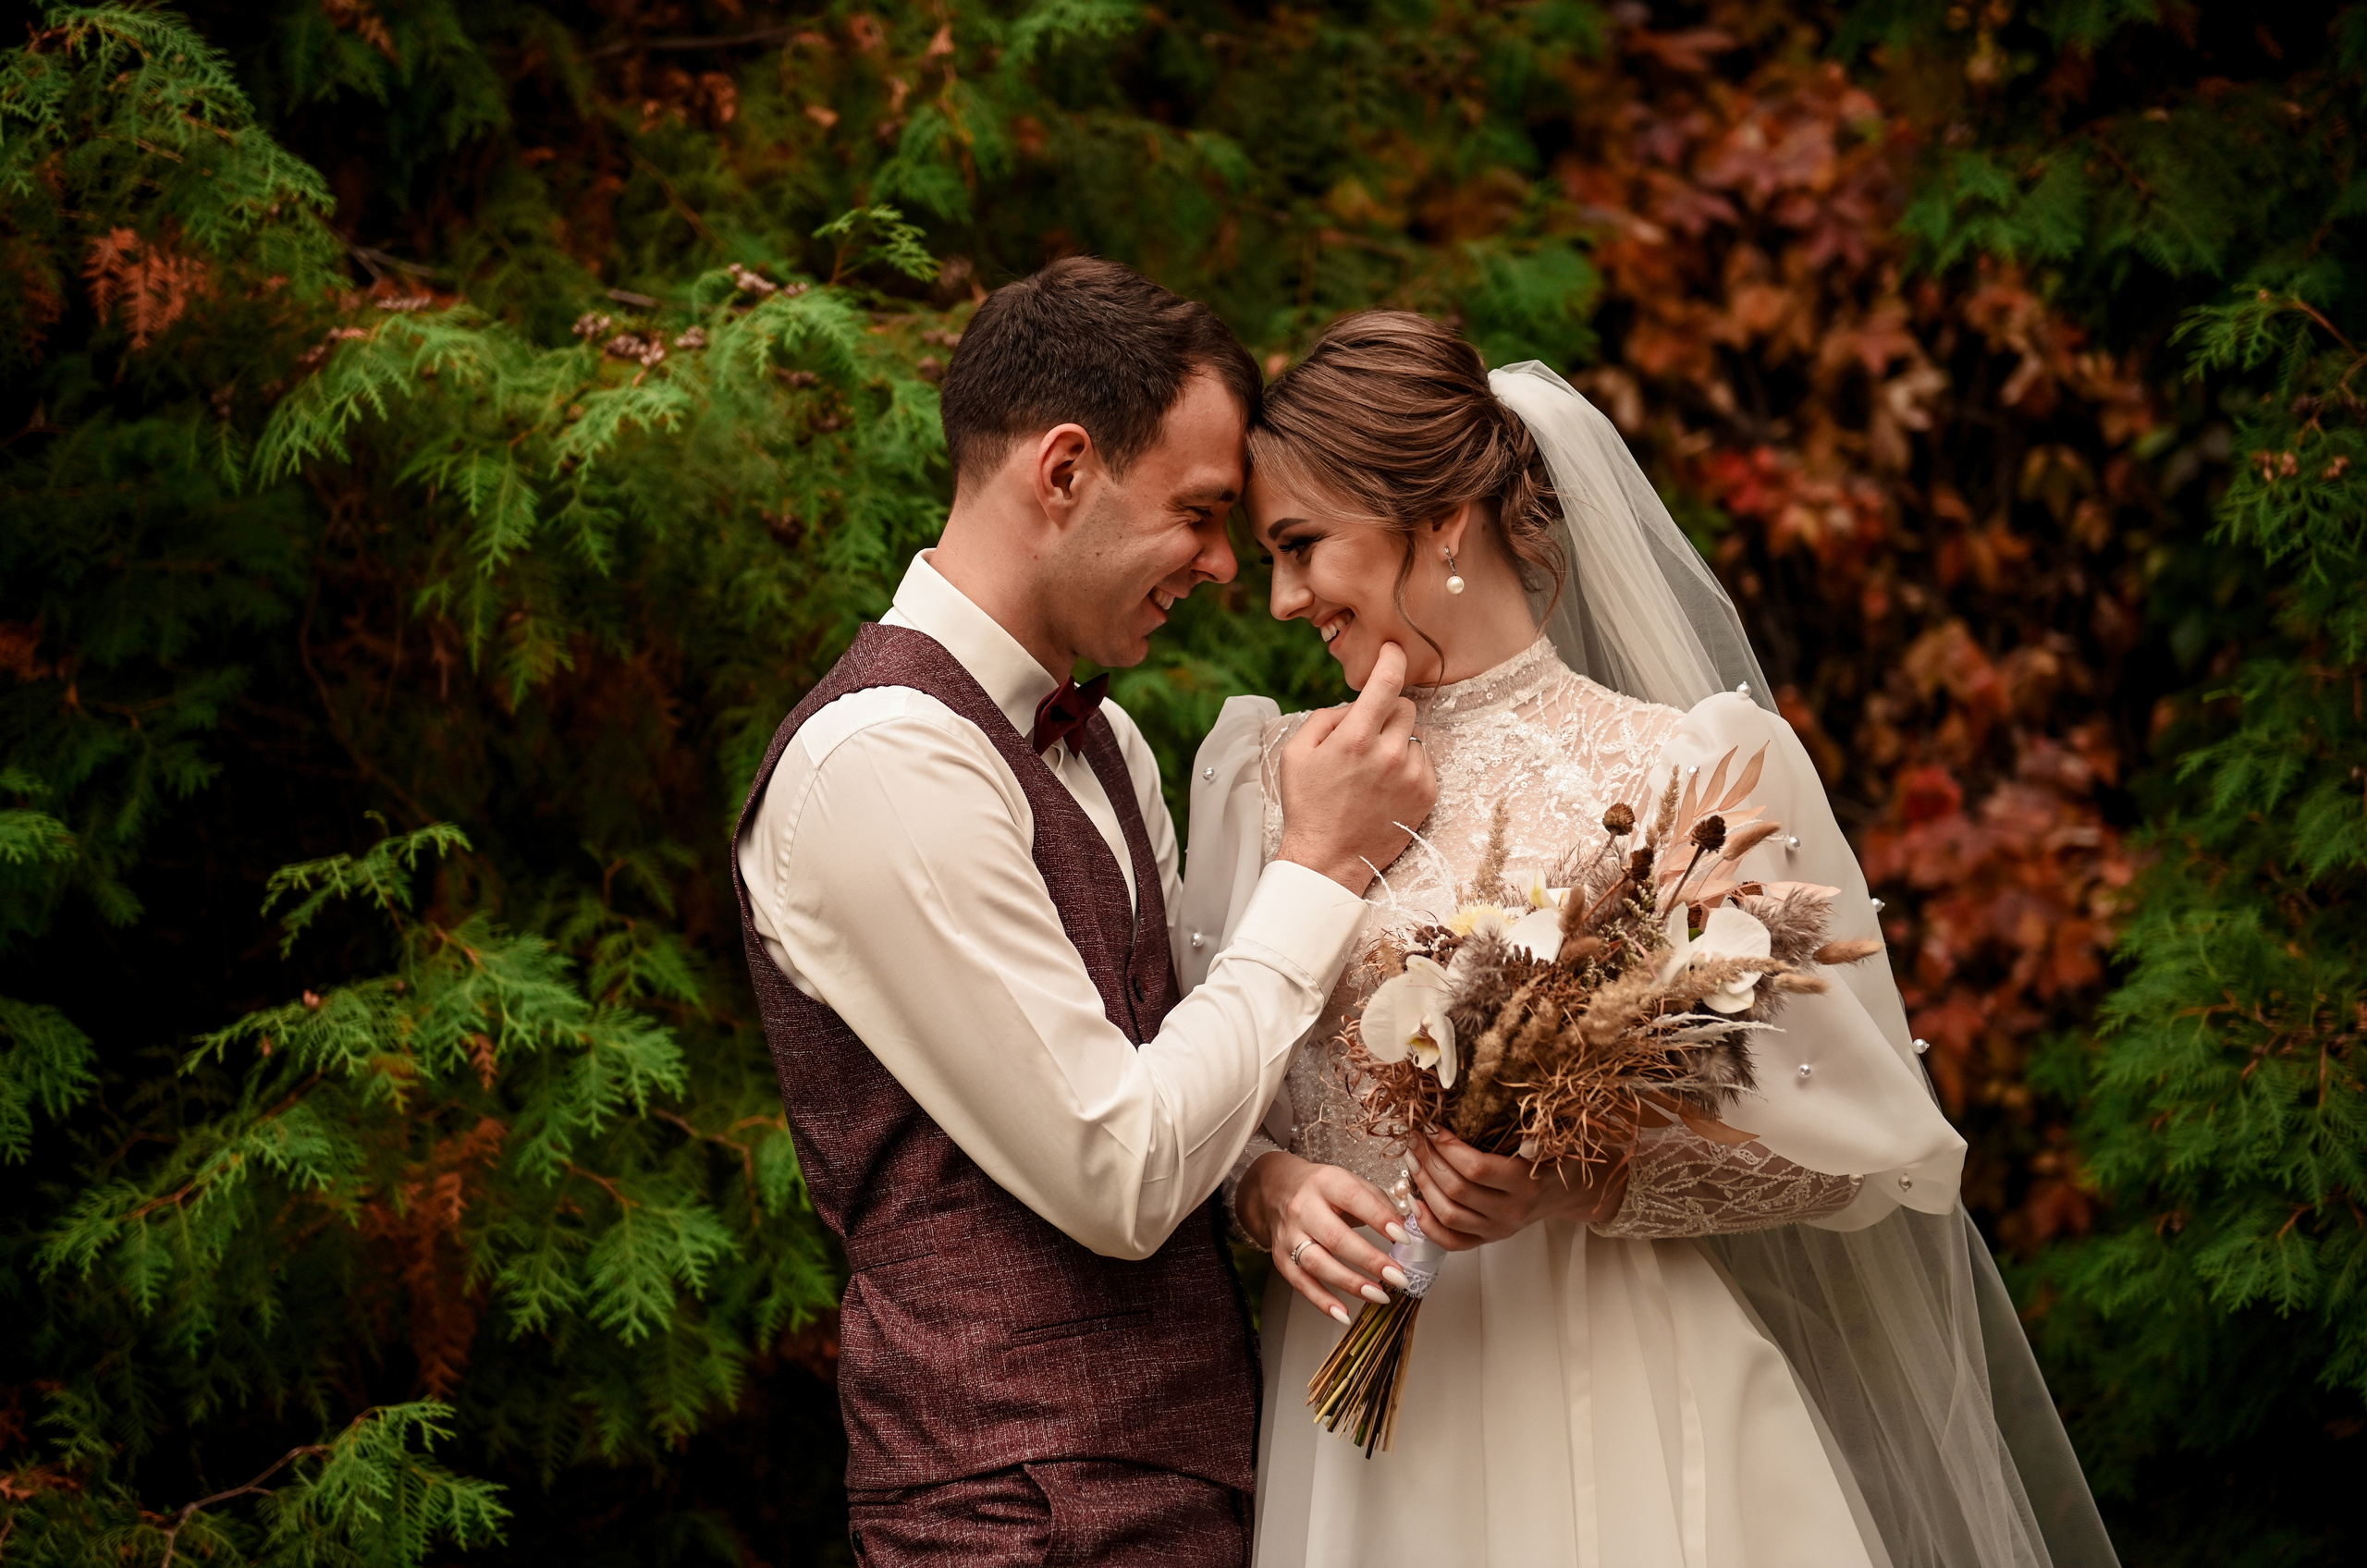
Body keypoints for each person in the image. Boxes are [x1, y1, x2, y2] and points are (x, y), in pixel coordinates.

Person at [1175, 312, 2122, 1568]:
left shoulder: (1693, 775)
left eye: (1303, 547)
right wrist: (1269, 1190)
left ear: (1442, 519)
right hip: (1364, 1432)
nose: (1285, 597)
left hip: (1611, 1385)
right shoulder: (1264, 776)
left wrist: (1582, 1182)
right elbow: (1204, 1088)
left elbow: (1847, 1155)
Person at [730, 262, 1435, 1566]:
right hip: (1013, 1517)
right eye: (1202, 515)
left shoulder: (1108, 749)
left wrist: (1263, 1185)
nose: (1227, 568)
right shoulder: (879, 764)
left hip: (1194, 1479)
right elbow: (1118, 1172)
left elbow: (1166, 1086)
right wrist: (1323, 867)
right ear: (1063, 473)